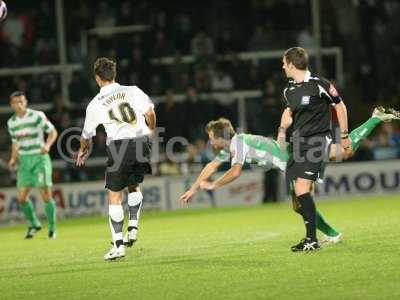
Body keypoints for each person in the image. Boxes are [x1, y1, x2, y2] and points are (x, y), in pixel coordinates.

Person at [179, 106, 400, 245]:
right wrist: (194, 188)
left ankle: (328, 236)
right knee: (344, 152)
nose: (210, 142)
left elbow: (235, 171)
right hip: (296, 155)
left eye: (211, 137)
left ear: (220, 136)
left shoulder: (239, 144)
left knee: (302, 200)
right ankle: (376, 118)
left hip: (297, 159)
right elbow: (210, 166)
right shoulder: (235, 145)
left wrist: (215, 185)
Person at [75, 57, 156, 261]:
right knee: (133, 184)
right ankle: (134, 227)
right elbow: (150, 112)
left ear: (97, 78)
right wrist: (151, 129)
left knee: (114, 195)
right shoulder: (133, 90)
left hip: (120, 145)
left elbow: (86, 136)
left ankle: (118, 245)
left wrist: (83, 149)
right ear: (114, 74)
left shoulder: (95, 104)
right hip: (141, 142)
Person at [7, 91, 58, 239]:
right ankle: (34, 224)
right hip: (24, 161)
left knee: (46, 195)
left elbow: (53, 132)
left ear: (26, 102)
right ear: (11, 105)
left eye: (22, 101)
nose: (20, 104)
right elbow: (15, 143)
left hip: (39, 159)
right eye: (16, 102)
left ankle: (52, 228)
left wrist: (47, 145)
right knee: (22, 197)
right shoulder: (12, 122)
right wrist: (13, 158)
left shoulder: (37, 116)